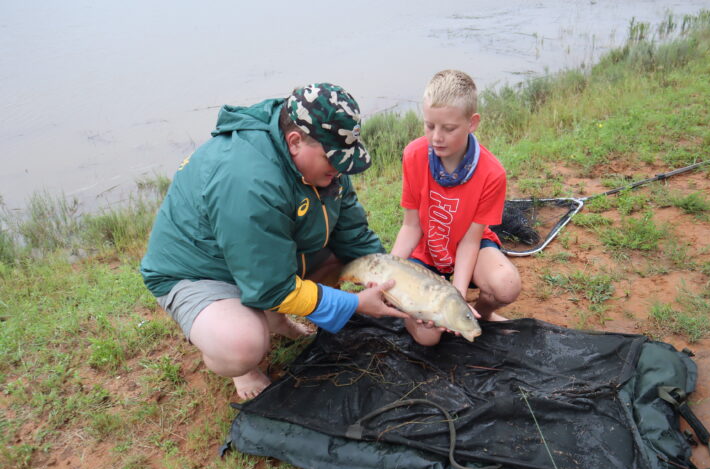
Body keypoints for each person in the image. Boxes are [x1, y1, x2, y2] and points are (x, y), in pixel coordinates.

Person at [140, 83, 407, 400]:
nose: (340, 168)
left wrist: (400, 289)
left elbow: (354, 237)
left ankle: (273, 318)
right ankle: (239, 361)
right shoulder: (248, 181)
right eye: (332, 158)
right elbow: (272, 287)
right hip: (200, 272)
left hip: (258, 261)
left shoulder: (327, 160)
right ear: (295, 141)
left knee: (343, 256)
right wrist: (355, 305)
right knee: (242, 345)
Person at [390, 70, 522, 346]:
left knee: (506, 285)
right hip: (426, 247)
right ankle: (410, 315)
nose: (436, 137)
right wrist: (390, 271)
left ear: (472, 123)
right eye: (429, 126)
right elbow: (411, 226)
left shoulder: (492, 173)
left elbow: (470, 242)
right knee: (429, 337)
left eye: (448, 129)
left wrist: (457, 296)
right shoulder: (414, 155)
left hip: (467, 246)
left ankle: (483, 314)